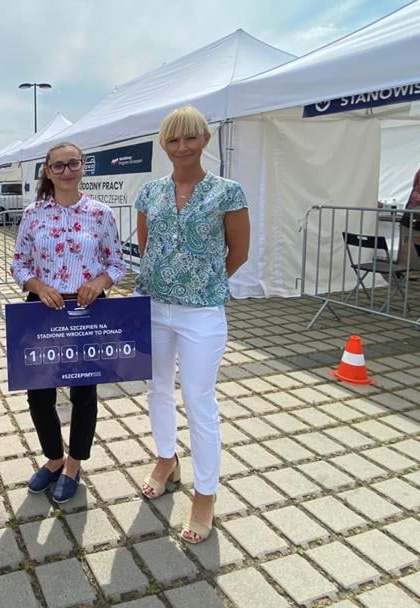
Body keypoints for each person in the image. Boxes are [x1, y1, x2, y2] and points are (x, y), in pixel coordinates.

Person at [135, 106, 249, 544]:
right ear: (164, 145)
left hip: (201, 312)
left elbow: (237, 252)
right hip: (153, 307)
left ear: (204, 141)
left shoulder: (227, 191)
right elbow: (146, 245)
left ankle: (206, 493)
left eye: (189, 139)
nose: (181, 147)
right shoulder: (150, 192)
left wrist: (202, 284)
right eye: (172, 140)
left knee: (199, 398)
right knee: (157, 388)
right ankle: (166, 458)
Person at [11, 142, 126, 503]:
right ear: (47, 171)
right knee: (39, 393)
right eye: (57, 166)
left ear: (83, 166)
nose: (66, 171)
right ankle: (54, 458)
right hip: (43, 308)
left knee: (83, 391)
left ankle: (75, 462)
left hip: (88, 311)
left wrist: (99, 282)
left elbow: (118, 263)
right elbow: (19, 263)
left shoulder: (100, 213)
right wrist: (37, 285)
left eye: (72, 163)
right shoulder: (33, 214)